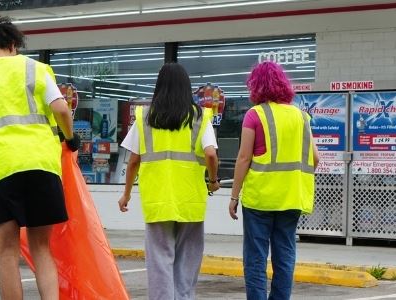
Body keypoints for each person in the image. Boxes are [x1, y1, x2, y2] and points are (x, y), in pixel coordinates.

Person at [0, 16, 79, 300]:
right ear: (12, 44)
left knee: (6, 252)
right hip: (40, 166)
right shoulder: (34, 68)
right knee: (42, 247)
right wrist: (70, 139)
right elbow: (61, 109)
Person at [117, 63, 219, 300]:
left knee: (160, 260)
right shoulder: (200, 117)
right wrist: (213, 181)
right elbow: (211, 154)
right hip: (190, 200)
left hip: (157, 200)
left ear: (159, 86)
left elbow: (133, 161)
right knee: (187, 259)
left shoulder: (145, 117)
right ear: (187, 87)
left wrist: (127, 194)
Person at [228, 61, 317, 300]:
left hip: (260, 199)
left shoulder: (254, 115)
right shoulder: (301, 116)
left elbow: (244, 157)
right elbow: (315, 158)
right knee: (285, 255)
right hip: (291, 197)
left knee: (256, 258)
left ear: (256, 86)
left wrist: (234, 196)